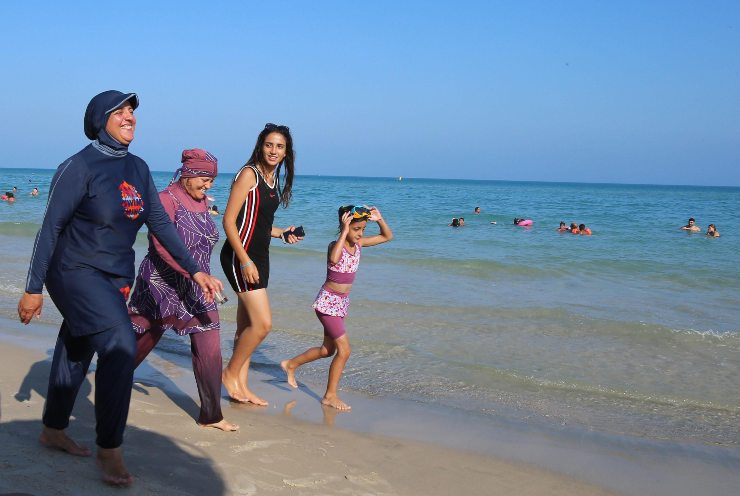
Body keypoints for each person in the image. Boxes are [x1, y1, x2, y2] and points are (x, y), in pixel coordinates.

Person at [16, 90, 222, 487]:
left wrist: (195, 271)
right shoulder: (78, 166)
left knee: (78, 345)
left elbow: (160, 224)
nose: (130, 116)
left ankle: (53, 429)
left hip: (115, 276)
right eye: (120, 110)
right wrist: (33, 287)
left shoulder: (139, 168)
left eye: (133, 111)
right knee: (121, 345)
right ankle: (110, 448)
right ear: (99, 119)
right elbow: (50, 228)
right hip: (73, 270)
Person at [128, 149, 238, 432]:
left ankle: (211, 415)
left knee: (210, 348)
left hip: (199, 287)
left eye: (212, 179)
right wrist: (194, 273)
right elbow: (161, 245)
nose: (209, 185)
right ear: (188, 174)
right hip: (160, 285)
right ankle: (111, 379)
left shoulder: (203, 202)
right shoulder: (166, 199)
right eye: (204, 178)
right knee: (140, 342)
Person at [220, 123, 302, 406]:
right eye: (269, 145)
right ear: (261, 145)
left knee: (246, 327)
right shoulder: (249, 174)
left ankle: (240, 387)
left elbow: (257, 223)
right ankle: (229, 374)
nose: (274, 150)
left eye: (280, 146)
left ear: (286, 151)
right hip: (239, 255)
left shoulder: (273, 179)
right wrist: (244, 261)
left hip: (260, 255)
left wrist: (282, 233)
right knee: (263, 324)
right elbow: (229, 221)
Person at [281, 205, 393, 410]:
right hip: (327, 303)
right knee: (345, 350)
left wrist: (379, 219)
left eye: (362, 230)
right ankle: (330, 396)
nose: (360, 234)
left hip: (340, 304)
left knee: (327, 350)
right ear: (345, 226)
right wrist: (344, 231)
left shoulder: (359, 245)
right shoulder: (335, 245)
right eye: (356, 229)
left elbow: (387, 236)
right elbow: (334, 259)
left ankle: (290, 364)